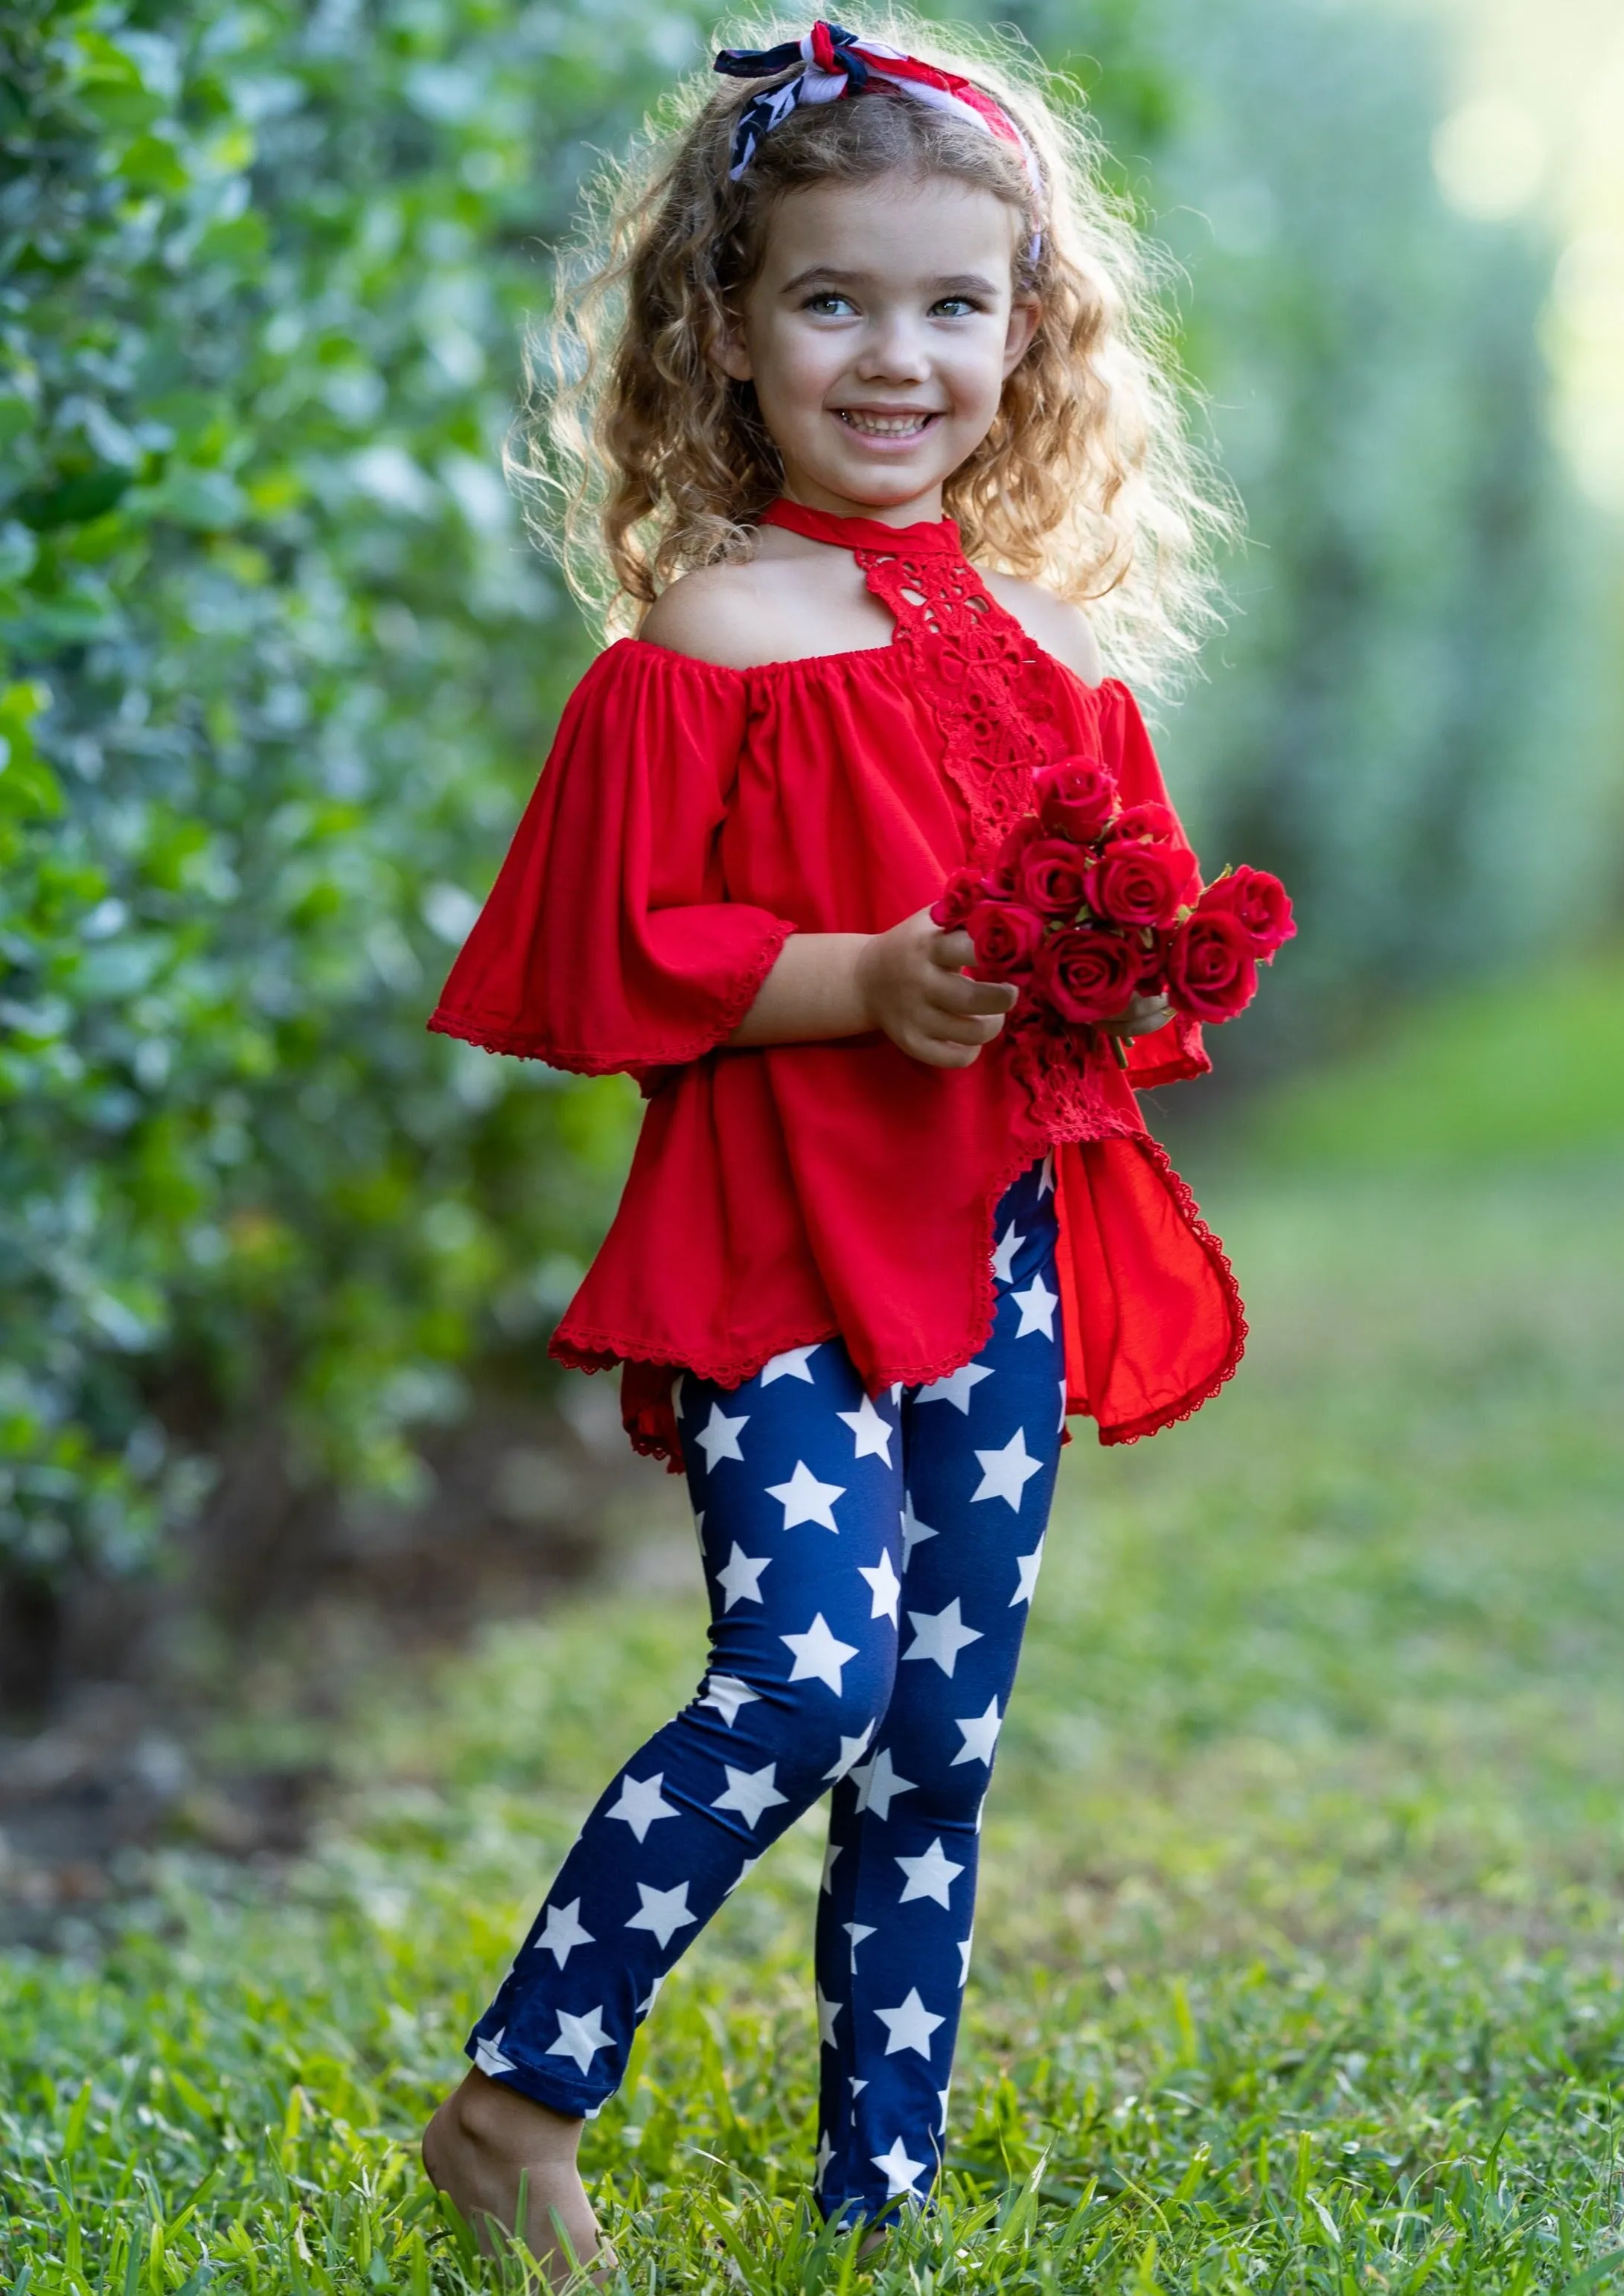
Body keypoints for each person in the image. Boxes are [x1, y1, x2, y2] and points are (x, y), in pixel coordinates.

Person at [421, 14, 1246, 2277]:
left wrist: (1129, 964)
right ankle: (514, 2101)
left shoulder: (1059, 650)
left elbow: (1115, 961)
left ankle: (878, 2192)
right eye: (832, 298)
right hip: (776, 1246)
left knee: (937, 1738)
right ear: (729, 325)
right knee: (801, 1673)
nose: (897, 353)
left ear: (1031, 334)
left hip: (990, 1245)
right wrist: (863, 980)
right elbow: (616, 966)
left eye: (952, 304)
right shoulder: (708, 636)